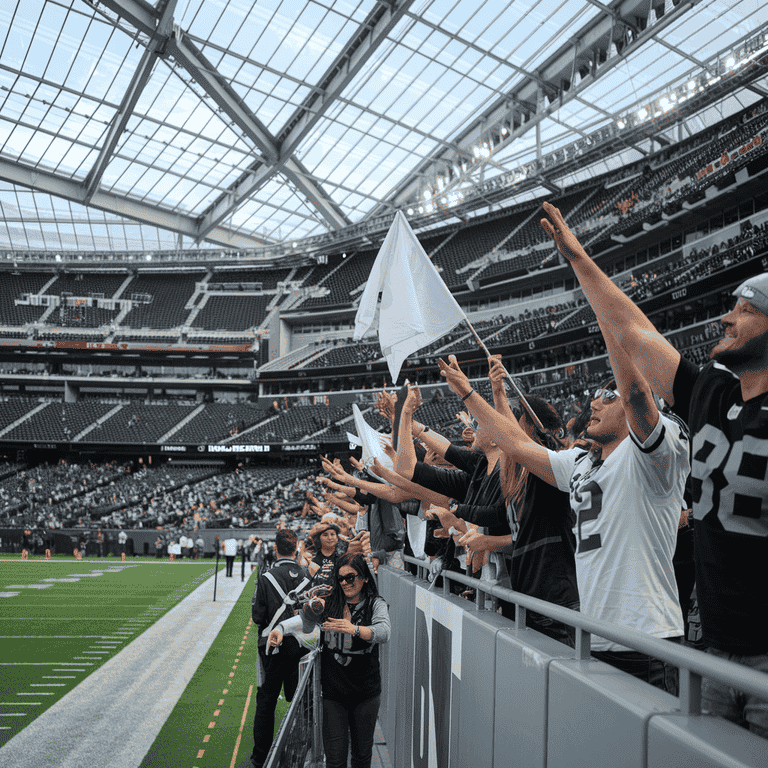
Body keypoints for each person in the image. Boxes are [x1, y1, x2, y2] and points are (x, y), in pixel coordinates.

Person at [538, 200, 768, 735]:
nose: (726, 317)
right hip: (711, 651)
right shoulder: (712, 393)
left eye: (747, 309)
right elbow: (636, 336)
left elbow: (637, 386)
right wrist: (578, 259)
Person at [440, 318, 689, 692]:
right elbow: (516, 444)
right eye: (596, 394)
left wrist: (609, 323)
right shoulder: (581, 462)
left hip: (647, 638)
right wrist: (468, 395)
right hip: (593, 634)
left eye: (609, 396)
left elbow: (637, 390)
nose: (595, 401)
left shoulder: (651, 455)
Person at [268, 554, 391, 768]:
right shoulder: (331, 600)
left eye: (351, 577)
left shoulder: (375, 604)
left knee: (362, 757)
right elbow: (305, 622)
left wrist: (355, 630)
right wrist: (280, 629)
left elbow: (384, 631)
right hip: (334, 694)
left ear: (365, 578)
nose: (345, 583)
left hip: (366, 692)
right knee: (335, 759)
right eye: (341, 578)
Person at [249, 529, 312, 768]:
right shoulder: (308, 574)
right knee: (301, 701)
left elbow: (258, 616)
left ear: (275, 548)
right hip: (301, 645)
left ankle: (261, 757)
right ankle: (300, 754)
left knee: (266, 700)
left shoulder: (267, 577)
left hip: (272, 647)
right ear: (296, 548)